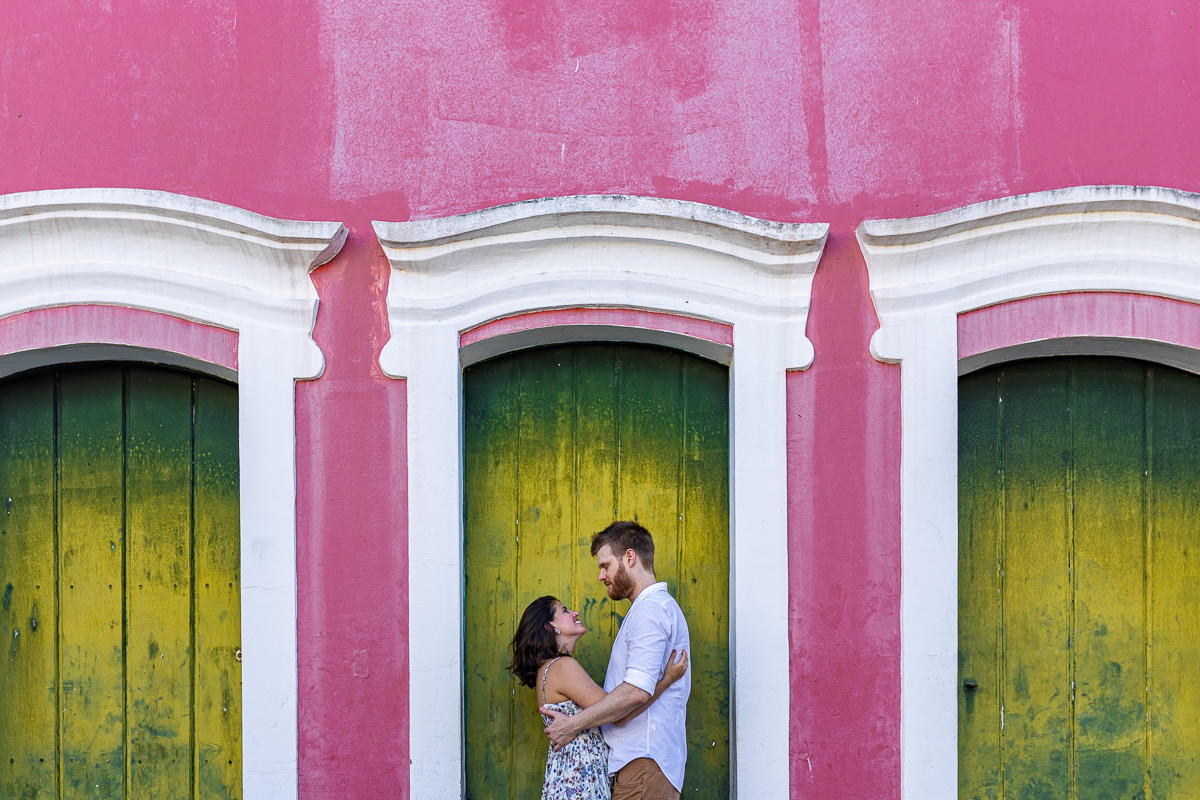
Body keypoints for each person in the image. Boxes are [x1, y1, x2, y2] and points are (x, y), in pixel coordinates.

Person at [542, 521, 692, 800]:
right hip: (640, 765)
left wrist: (573, 724)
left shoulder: (649, 611)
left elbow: (635, 692)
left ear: (630, 558)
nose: (601, 575)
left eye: (605, 565)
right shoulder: (650, 609)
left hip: (643, 764)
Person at [510, 595, 689, 800]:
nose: (575, 613)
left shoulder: (548, 669)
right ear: (550, 627)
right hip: (579, 781)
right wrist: (666, 680)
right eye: (565, 610)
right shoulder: (562, 667)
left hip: (569, 777)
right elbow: (619, 712)